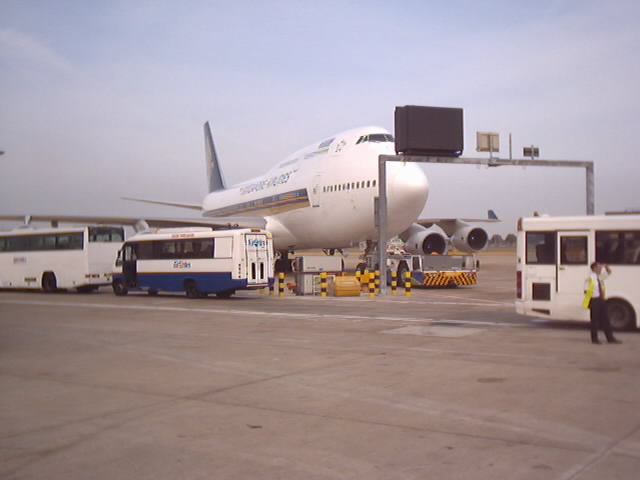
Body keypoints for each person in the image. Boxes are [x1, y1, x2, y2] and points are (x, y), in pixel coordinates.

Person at [583, 262, 622, 344]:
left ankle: (610, 338)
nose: (600, 269)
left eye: (600, 267)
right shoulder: (590, 278)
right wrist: (591, 300)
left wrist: (606, 266)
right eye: (598, 267)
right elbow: (586, 290)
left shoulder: (600, 277)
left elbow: (609, 272)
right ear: (594, 268)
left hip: (601, 299)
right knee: (595, 320)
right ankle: (594, 339)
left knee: (605, 319)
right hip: (594, 300)